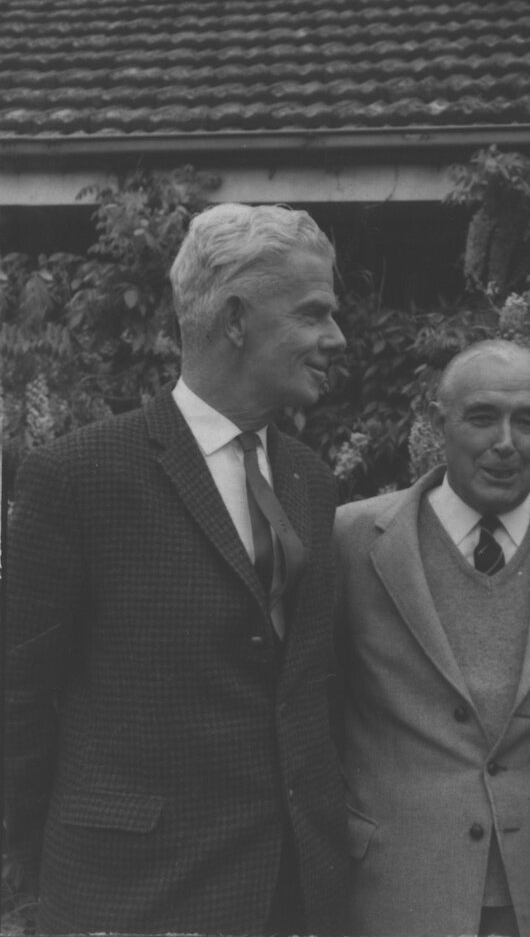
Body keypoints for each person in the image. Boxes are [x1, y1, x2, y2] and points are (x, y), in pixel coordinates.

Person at [4, 203, 351, 935]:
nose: (335, 338)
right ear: (234, 318)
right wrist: (35, 888)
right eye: (314, 313)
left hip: (296, 897)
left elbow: (310, 690)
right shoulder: (78, 474)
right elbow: (19, 701)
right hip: (128, 898)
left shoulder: (314, 482)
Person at [334, 339, 530, 937]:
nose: (506, 442)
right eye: (481, 417)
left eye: (527, 421)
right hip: (395, 887)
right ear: (438, 422)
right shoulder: (351, 540)